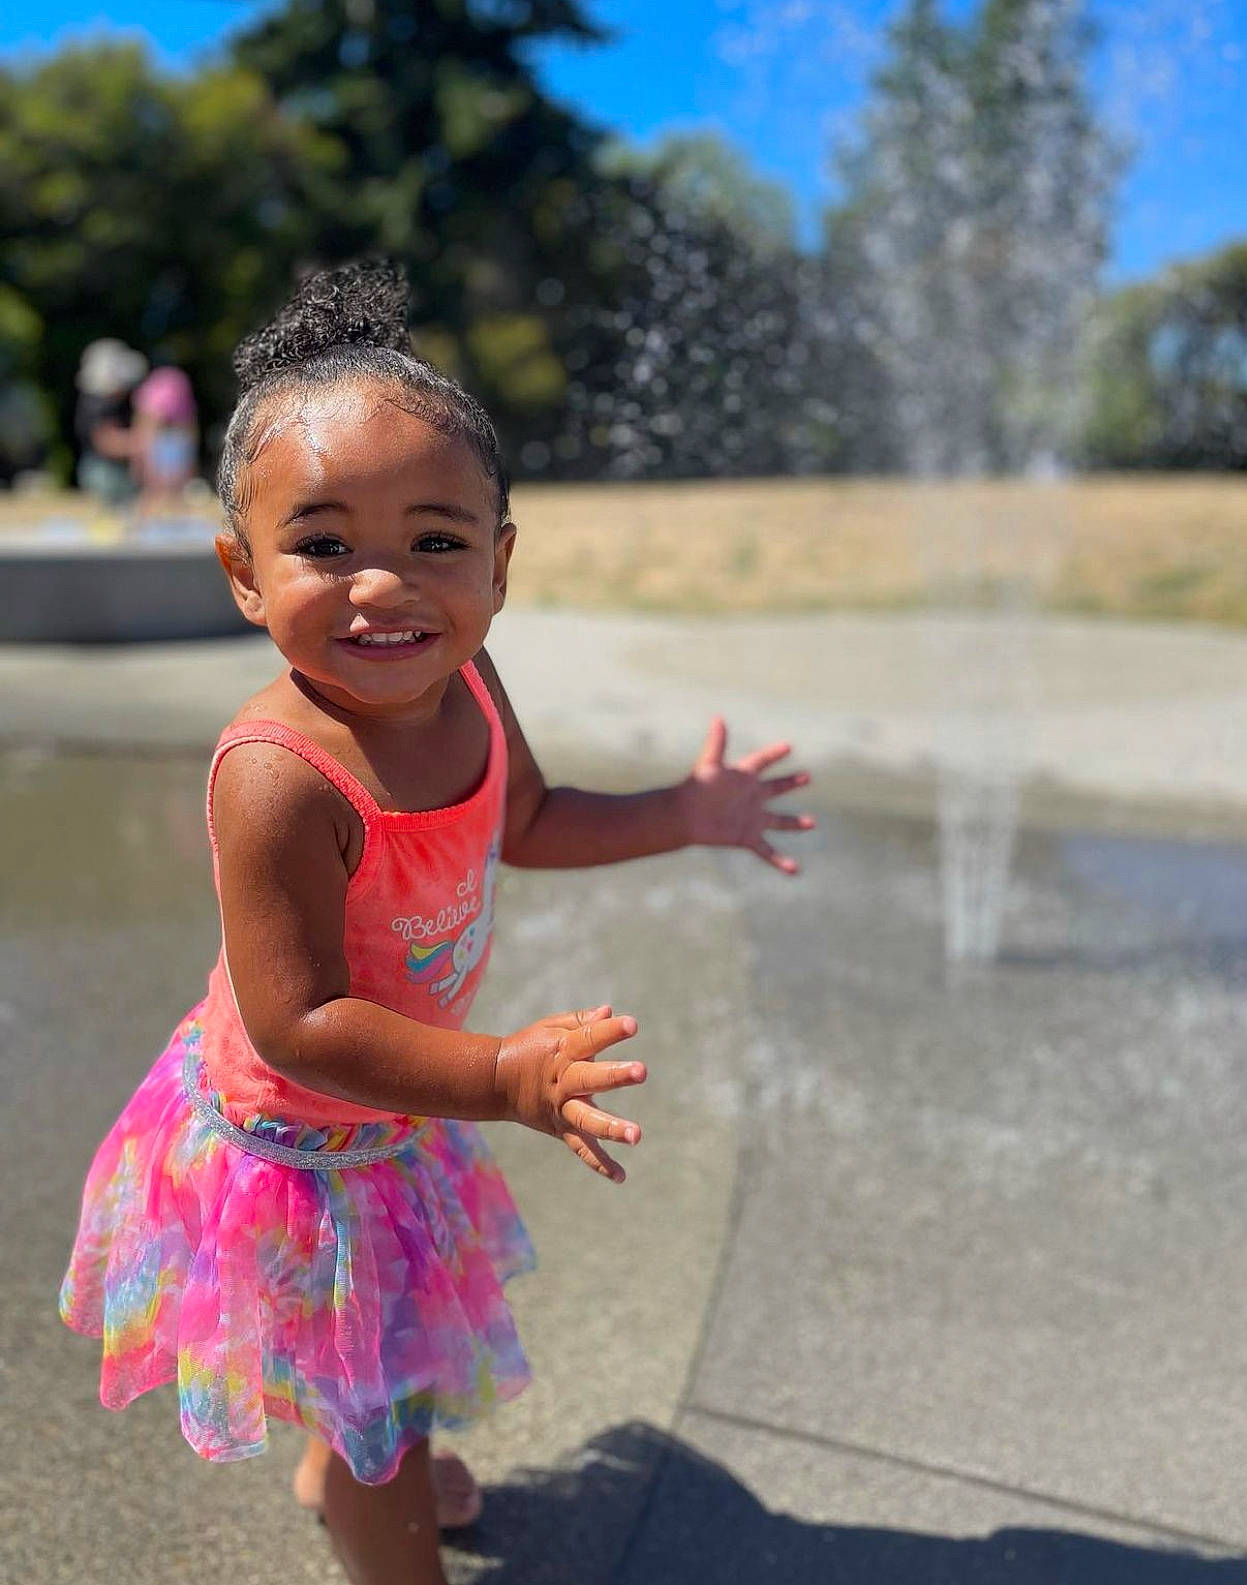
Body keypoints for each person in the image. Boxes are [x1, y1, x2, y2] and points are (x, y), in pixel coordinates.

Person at [58, 260, 813, 1585]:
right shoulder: (281, 777)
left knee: (371, 1381)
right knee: (384, 1436)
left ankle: (342, 1447)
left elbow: (525, 817)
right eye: (325, 543)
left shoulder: (468, 681)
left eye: (437, 541)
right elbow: (299, 1025)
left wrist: (683, 811)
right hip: (302, 1146)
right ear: (243, 571)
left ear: (500, 566)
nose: (385, 587)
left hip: (391, 1109)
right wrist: (502, 1074)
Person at [74, 338, 147, 507]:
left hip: (108, 471)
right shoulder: (97, 404)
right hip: (104, 473)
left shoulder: (110, 403)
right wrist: (143, 443)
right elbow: (106, 442)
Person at [131, 364, 199, 516]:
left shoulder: (153, 407)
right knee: (163, 495)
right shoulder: (181, 430)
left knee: (162, 494)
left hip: (168, 449)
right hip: (168, 449)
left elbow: (143, 429)